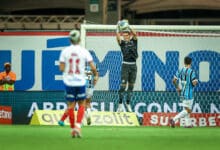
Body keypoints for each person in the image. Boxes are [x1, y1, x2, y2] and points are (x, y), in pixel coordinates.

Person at [58, 29, 99, 138]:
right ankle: (77, 127)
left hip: (69, 82)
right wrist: (95, 75)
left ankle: (72, 129)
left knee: (71, 105)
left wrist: (69, 69)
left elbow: (61, 68)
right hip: (80, 81)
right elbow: (93, 67)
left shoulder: (65, 51)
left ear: (69, 39)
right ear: (79, 39)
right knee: (82, 104)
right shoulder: (84, 51)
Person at [116, 20, 138, 112]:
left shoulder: (134, 41)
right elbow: (117, 37)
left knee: (131, 86)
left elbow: (135, 34)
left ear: (129, 35)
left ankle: (128, 103)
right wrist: (118, 28)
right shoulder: (122, 44)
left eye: (126, 35)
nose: (124, 37)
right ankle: (120, 105)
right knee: (122, 86)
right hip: (125, 65)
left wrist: (128, 26)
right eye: (123, 35)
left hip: (133, 66)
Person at [170, 56, 198, 128]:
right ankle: (173, 119)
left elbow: (173, 80)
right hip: (189, 93)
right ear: (191, 63)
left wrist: (178, 88)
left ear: (184, 62)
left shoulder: (180, 70)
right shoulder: (191, 72)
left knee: (186, 108)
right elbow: (194, 83)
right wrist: (196, 81)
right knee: (188, 110)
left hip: (182, 93)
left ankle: (187, 124)